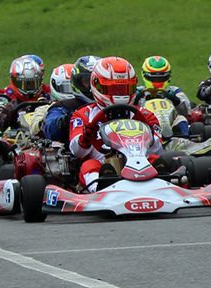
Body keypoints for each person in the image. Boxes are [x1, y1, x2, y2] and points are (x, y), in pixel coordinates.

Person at [69, 57, 162, 192]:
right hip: (103, 165)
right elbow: (77, 151)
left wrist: (151, 138)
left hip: (141, 164)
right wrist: (85, 138)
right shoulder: (84, 115)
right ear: (97, 86)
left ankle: (162, 182)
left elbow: (158, 150)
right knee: (88, 165)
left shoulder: (145, 115)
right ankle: (100, 188)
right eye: (113, 89)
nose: (119, 94)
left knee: (157, 160)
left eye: (124, 88)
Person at [42, 56, 98, 144]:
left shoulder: (111, 106)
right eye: (87, 81)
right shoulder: (63, 107)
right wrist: (65, 121)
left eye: (96, 82)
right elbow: (50, 130)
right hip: (78, 153)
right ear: (77, 83)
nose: (93, 86)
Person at [0, 57, 50, 131]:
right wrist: (11, 114)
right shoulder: (10, 107)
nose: (30, 88)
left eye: (33, 84)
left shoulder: (47, 101)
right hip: (19, 140)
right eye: (26, 85)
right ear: (14, 82)